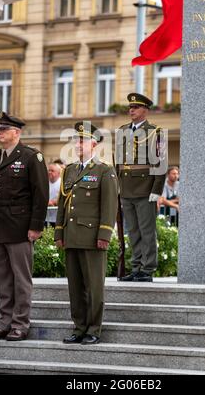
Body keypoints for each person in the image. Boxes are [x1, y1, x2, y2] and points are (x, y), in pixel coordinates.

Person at [0, 111, 49, 342]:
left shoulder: (31, 157)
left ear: (16, 133)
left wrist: (36, 226)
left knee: (21, 278)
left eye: (3, 129)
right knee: (2, 278)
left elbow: (40, 194)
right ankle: (4, 322)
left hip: (20, 227)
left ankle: (20, 324)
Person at [55, 121, 118, 345]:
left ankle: (94, 328)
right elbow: (63, 203)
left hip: (92, 238)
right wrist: (59, 233)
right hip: (71, 236)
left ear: (94, 144)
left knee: (93, 286)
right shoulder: (70, 170)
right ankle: (79, 327)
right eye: (76, 140)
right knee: (75, 286)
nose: (78, 144)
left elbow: (109, 206)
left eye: (82, 140)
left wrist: (104, 235)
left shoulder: (104, 170)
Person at [117, 93, 165, 282]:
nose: (132, 110)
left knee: (147, 231)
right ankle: (136, 267)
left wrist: (156, 191)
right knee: (133, 231)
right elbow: (118, 162)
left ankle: (147, 269)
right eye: (130, 107)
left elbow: (160, 164)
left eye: (136, 107)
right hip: (126, 189)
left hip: (145, 189)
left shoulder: (155, 131)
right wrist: (118, 187)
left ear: (145, 110)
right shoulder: (122, 131)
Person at [46, 162, 62, 227]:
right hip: (46, 217)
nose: (49, 172)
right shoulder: (44, 182)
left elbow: (63, 197)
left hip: (57, 218)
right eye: (49, 170)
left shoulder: (62, 183)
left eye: (52, 171)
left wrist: (54, 202)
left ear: (58, 173)